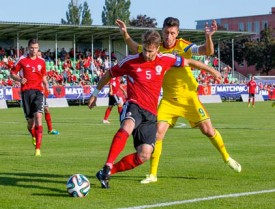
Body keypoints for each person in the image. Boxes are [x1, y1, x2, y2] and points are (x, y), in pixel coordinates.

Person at [88, 30, 222, 189]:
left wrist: (212, 70)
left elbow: (190, 62)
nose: (146, 53)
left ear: (158, 48)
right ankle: (108, 164)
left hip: (151, 114)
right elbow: (108, 74)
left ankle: (107, 173)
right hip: (134, 104)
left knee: (144, 154)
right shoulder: (130, 61)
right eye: (144, 49)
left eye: (150, 51)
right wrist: (95, 94)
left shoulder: (166, 59)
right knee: (127, 126)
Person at [116, 17, 241, 184]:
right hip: (168, 100)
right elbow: (135, 48)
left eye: (172, 33)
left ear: (177, 33)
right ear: (162, 31)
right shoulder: (155, 47)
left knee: (208, 130)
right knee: (158, 133)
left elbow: (206, 51)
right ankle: (153, 174)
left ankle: (227, 158)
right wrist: (125, 34)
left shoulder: (183, 45)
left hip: (189, 98)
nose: (169, 36)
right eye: (166, 33)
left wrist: (209, 37)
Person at [10, 39, 49, 157]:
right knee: (30, 123)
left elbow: (43, 76)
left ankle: (38, 149)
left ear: (38, 48)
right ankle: (33, 134)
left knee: (38, 116)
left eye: (36, 48)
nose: (34, 50)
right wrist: (19, 79)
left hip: (38, 92)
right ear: (28, 48)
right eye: (32, 48)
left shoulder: (42, 61)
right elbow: (12, 73)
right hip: (26, 92)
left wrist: (46, 85)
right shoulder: (22, 60)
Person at [37, 50, 60, 135]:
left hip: (41, 90)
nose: (40, 57)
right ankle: (36, 129)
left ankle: (50, 129)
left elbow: (44, 77)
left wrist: (47, 87)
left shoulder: (41, 64)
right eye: (38, 55)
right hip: (35, 90)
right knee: (37, 112)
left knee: (46, 109)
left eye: (40, 55)